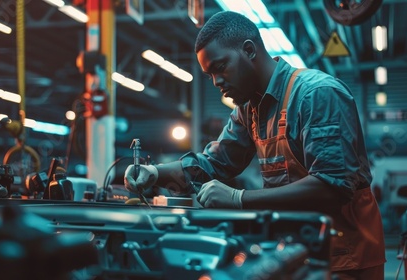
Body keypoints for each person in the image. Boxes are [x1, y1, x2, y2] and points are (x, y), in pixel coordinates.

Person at [124, 11, 385, 279]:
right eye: (209, 75)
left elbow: (332, 186)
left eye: (220, 67)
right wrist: (156, 172)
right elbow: (215, 162)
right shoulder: (249, 109)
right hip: (292, 250)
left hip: (344, 258)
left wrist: (239, 199)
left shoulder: (316, 94)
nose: (216, 82)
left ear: (249, 50)